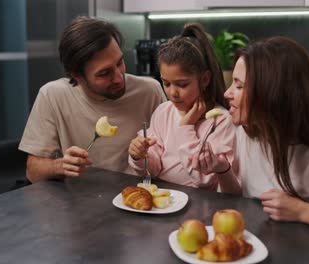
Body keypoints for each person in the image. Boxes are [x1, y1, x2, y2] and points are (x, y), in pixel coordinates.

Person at [221, 36, 309, 244]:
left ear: (273, 94)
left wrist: (302, 211)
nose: (227, 93)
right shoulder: (248, 133)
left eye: (239, 86)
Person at [19, 16, 165, 183]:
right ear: (77, 75)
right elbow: (33, 171)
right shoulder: (52, 96)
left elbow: (170, 159)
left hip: (139, 197)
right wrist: (60, 166)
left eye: (120, 63)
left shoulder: (150, 91)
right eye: (104, 73)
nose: (119, 78)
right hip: (78, 202)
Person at [128, 23, 239, 193]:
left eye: (182, 84)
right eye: (166, 83)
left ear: (204, 79)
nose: (173, 93)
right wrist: (140, 155)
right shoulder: (163, 112)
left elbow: (205, 180)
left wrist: (186, 127)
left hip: (201, 205)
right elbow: (153, 170)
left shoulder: (221, 121)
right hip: (164, 201)